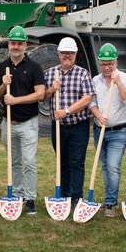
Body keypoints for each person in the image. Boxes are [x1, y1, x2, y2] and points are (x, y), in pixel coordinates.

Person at [0, 26, 46, 213]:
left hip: (28, 123)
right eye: (13, 43)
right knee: (14, 162)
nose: (16, 47)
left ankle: (30, 198)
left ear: (25, 45)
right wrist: (2, 85)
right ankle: (17, 195)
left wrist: (16, 100)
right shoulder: (1, 67)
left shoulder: (34, 67)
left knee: (29, 161)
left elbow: (40, 94)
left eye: (19, 43)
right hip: (8, 123)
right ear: (9, 45)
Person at [42, 37, 92, 208]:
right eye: (64, 53)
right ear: (59, 54)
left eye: (70, 53)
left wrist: (67, 111)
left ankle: (76, 197)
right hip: (58, 127)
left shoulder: (83, 73)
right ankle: (64, 195)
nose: (67, 56)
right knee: (61, 161)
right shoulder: (49, 74)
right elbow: (43, 98)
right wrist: (51, 89)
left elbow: (87, 99)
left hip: (78, 125)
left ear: (75, 54)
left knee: (76, 162)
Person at [89, 43, 126, 216]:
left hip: (119, 131)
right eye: (103, 64)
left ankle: (110, 202)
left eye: (110, 63)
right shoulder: (95, 80)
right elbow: (91, 102)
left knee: (113, 166)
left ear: (116, 62)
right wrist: (98, 114)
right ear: (100, 63)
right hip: (99, 129)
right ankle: (109, 198)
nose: (107, 67)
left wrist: (118, 83)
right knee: (104, 166)